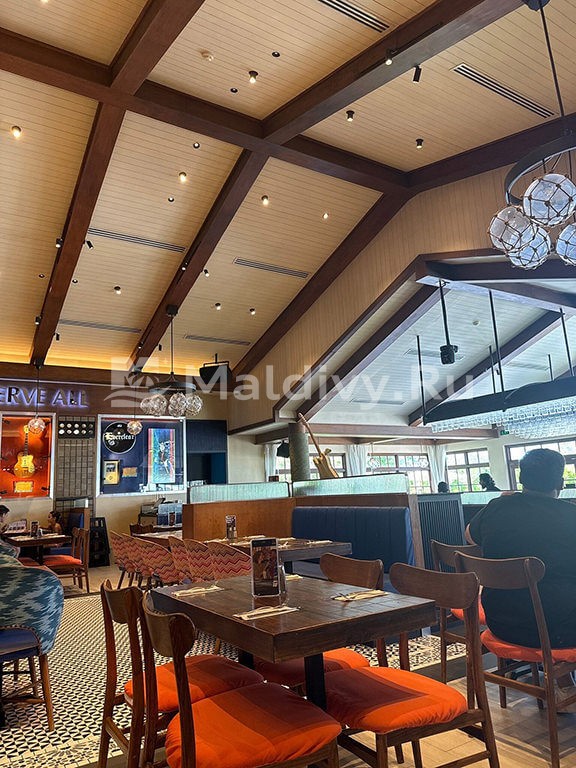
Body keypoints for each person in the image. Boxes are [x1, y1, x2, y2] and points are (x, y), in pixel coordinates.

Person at [466, 448, 576, 649]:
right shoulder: (571, 515)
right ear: (561, 483)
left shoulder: (497, 506)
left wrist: (504, 503)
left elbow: (470, 536)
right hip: (560, 630)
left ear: (520, 479)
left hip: (501, 624)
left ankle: (551, 671)